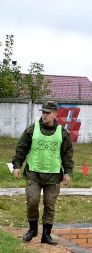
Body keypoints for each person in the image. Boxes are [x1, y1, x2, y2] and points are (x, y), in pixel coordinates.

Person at [12, 101, 74, 245]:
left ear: (54, 114)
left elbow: (67, 155)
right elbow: (21, 148)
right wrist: (17, 165)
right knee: (32, 200)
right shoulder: (32, 129)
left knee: (49, 205)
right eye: (43, 112)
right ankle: (33, 229)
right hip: (34, 174)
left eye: (47, 112)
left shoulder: (63, 133)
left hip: (53, 176)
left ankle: (46, 235)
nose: (44, 115)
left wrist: (68, 172)